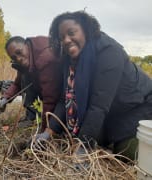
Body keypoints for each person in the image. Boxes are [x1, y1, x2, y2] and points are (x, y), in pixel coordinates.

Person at [34, 11, 152, 161]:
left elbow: (99, 105)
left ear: (86, 29)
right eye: (62, 37)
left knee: (126, 151)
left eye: (71, 33)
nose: (67, 40)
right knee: (100, 139)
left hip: (140, 107)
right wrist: (48, 132)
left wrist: (84, 147)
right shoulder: (69, 61)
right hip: (113, 112)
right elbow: (65, 100)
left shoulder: (109, 52)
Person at [0, 36, 62, 132]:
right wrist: (4, 99)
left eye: (19, 52)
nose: (18, 59)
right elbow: (18, 84)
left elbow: (50, 98)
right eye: (14, 58)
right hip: (47, 91)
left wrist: (44, 129)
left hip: (61, 96)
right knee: (25, 77)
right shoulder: (28, 60)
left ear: (26, 45)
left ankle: (40, 119)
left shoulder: (45, 57)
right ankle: (31, 117)